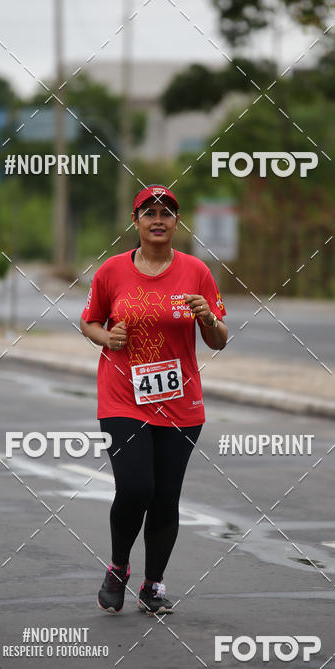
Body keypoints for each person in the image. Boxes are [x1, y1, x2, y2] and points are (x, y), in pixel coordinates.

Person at [80, 184, 227, 615]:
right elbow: (89, 322)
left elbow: (218, 340)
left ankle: (154, 585)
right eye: (149, 213)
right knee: (135, 486)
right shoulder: (112, 271)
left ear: (177, 222)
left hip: (181, 404)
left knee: (165, 497)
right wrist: (109, 336)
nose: (158, 219)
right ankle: (119, 566)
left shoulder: (197, 271)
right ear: (136, 221)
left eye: (166, 212)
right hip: (123, 397)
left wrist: (208, 318)